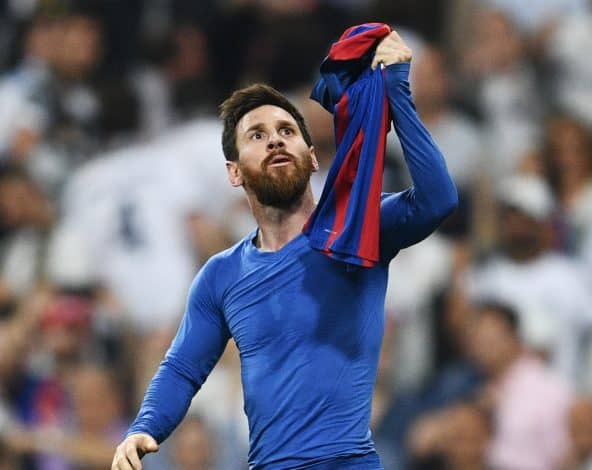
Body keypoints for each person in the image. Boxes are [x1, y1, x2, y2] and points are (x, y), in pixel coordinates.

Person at [111, 29, 457, 470]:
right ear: (234, 173)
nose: (274, 139)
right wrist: (146, 426)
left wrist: (398, 96)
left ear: (312, 157)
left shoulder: (357, 229)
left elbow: (438, 199)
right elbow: (183, 367)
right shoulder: (220, 276)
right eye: (256, 135)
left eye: (286, 130)